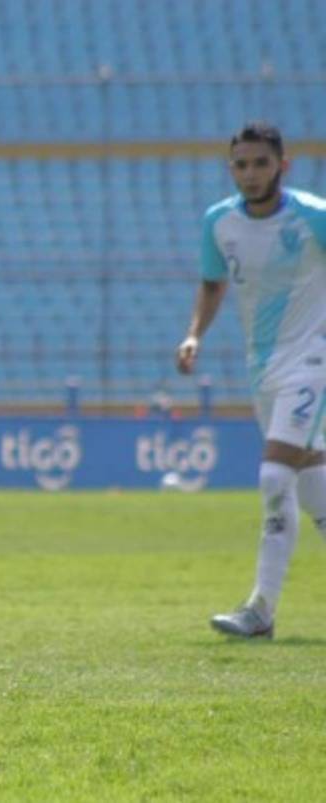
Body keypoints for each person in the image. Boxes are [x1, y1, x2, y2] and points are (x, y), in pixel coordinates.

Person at [177, 122, 326, 639]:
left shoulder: (313, 217)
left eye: (261, 163)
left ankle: (260, 608)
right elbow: (213, 283)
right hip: (262, 368)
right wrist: (194, 335)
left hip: (314, 360)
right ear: (231, 169)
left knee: (272, 477)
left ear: (282, 166)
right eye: (241, 164)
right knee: (312, 485)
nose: (250, 173)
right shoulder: (219, 223)